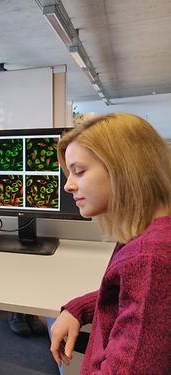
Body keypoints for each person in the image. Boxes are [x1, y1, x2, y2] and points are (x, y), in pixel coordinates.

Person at [49, 113, 171, 374]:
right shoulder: (147, 235)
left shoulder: (149, 257)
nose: (68, 185)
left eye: (78, 172)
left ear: (125, 169)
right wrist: (79, 308)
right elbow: (137, 300)